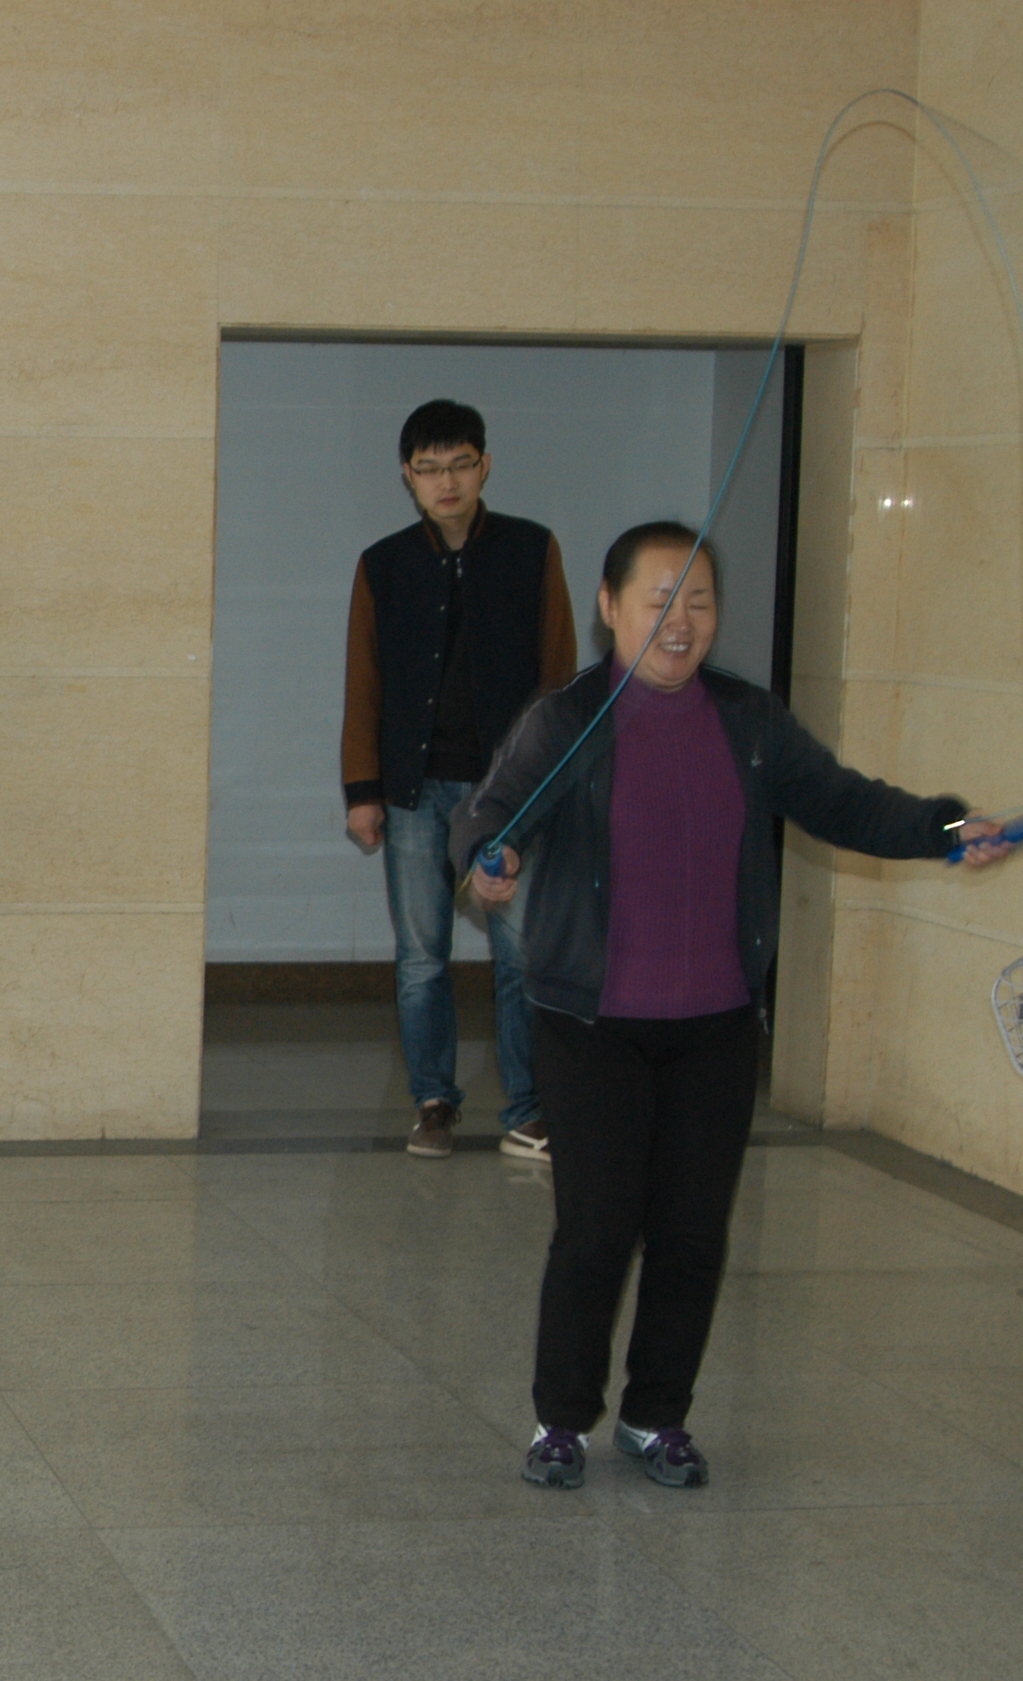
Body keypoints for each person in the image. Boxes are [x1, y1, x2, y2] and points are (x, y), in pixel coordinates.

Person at [455, 522, 1009, 1490]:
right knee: (596, 1231)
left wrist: (946, 825)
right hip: (590, 1025)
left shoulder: (747, 720)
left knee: (690, 1234)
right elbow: (490, 815)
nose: (681, 621)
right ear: (609, 606)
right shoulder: (567, 718)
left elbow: (842, 800)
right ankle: (561, 1420)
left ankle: (655, 1416)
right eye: (659, 599)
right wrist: (487, 862)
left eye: (700, 600)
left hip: (714, 1027)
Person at [343, 400, 575, 1160]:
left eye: (461, 465)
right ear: (407, 477)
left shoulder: (532, 550)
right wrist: (362, 791)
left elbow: (559, 676)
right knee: (422, 958)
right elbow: (364, 683)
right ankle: (434, 1102)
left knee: (520, 954)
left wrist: (551, 785)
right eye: (430, 469)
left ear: (485, 466)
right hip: (414, 793)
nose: (447, 482)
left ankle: (528, 1111)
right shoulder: (383, 564)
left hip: (508, 796)